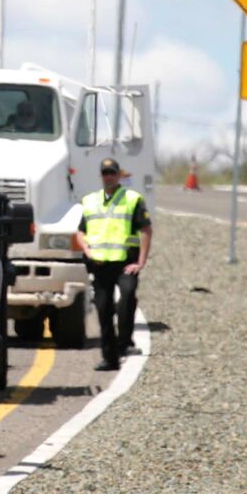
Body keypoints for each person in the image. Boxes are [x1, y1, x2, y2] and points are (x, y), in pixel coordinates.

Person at [78, 157, 151, 371]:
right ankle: (110, 359)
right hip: (100, 265)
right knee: (103, 310)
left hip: (126, 263)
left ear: (119, 175)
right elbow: (81, 231)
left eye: (112, 173)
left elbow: (146, 230)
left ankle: (124, 343)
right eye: (105, 173)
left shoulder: (133, 199)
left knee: (127, 298)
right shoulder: (90, 201)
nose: (108, 176)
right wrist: (87, 250)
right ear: (101, 176)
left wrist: (141, 262)